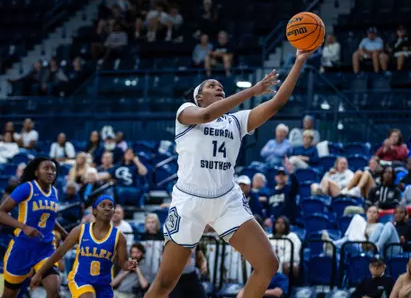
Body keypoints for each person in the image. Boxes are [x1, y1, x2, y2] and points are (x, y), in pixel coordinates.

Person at [144, 49, 314, 298]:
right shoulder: (186, 113)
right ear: (198, 96)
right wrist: (252, 92)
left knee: (268, 264)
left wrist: (299, 61)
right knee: (165, 283)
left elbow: (277, 103)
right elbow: (206, 115)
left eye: (220, 85)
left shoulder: (236, 121)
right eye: (212, 85)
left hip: (226, 199)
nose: (218, 87)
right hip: (189, 202)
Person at [30, 195, 137, 298]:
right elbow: (59, 252)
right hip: (81, 280)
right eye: (102, 205)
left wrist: (129, 265)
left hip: (103, 285)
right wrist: (39, 273)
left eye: (110, 206)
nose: (107, 208)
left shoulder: (119, 236)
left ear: (113, 212)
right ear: (94, 211)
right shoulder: (80, 230)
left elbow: (123, 263)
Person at [0, 157, 67, 298]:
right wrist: (23, 227)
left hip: (46, 248)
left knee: (55, 292)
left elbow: (49, 218)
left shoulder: (54, 192)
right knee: (9, 295)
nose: (50, 172)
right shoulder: (27, 188)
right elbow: (1, 212)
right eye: (46, 168)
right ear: (36, 172)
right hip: (22, 247)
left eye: (53, 170)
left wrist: (64, 232)